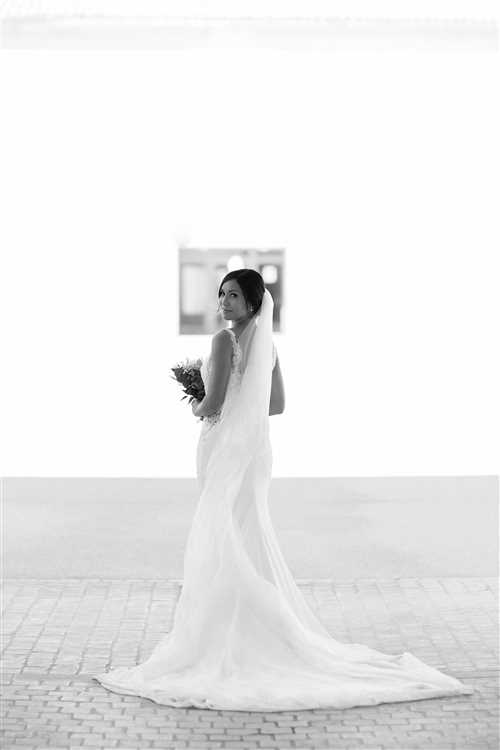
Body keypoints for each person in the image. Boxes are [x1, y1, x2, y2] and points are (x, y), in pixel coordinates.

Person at [93, 269, 475, 710]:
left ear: (253, 303)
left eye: (234, 296)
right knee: (244, 532)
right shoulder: (268, 347)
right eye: (222, 294)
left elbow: (213, 403)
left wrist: (196, 403)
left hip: (222, 447)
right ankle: (260, 630)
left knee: (221, 536)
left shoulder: (222, 341)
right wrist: (234, 402)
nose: (224, 302)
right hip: (255, 452)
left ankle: (229, 632)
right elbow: (275, 405)